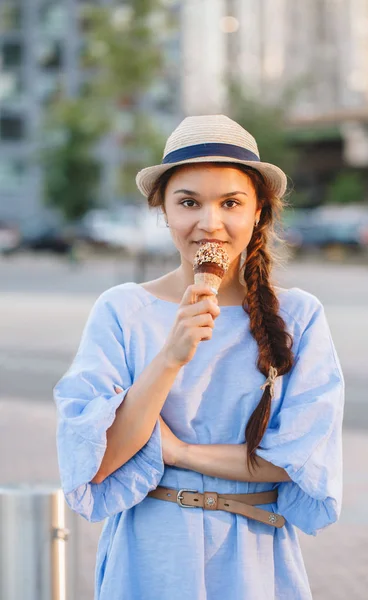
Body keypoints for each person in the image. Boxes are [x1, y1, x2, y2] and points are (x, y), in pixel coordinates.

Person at [53, 114, 345, 600]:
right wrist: (171, 355)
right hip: (151, 555)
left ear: (258, 212)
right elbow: (97, 462)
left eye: (231, 202)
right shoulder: (122, 310)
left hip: (255, 559)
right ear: (164, 211)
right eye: (188, 202)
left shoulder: (299, 316)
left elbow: (300, 461)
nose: (209, 223)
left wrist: (180, 452)